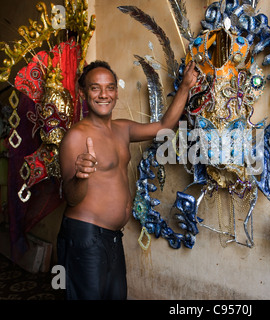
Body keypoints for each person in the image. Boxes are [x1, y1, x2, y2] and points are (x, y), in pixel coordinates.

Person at [57, 60, 198, 300]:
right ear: (83, 93)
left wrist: (185, 87)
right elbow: (71, 198)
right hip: (84, 237)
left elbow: (164, 126)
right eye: (95, 88)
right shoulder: (76, 137)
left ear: (116, 92)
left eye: (109, 87)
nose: (104, 94)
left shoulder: (122, 129)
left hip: (112, 237)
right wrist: (81, 176)